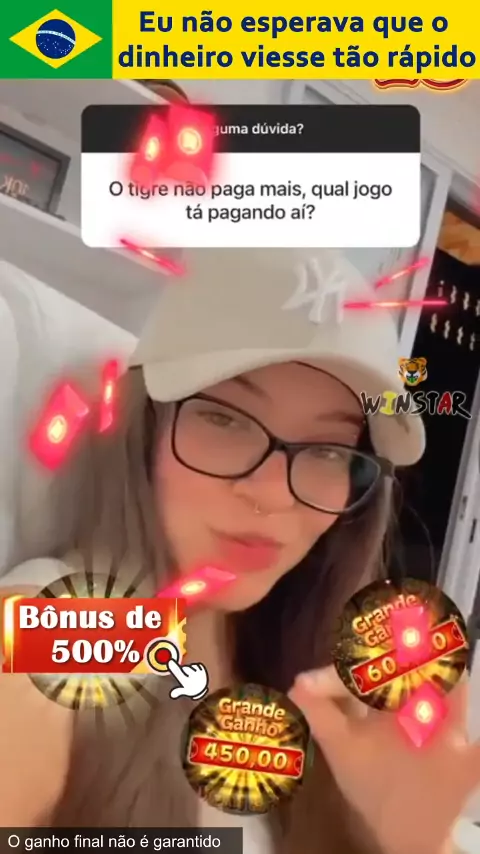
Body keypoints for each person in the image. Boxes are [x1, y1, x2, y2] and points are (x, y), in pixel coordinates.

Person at [1, 248, 478, 852]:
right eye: (225, 420)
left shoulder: (328, 689)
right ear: (144, 428)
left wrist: (412, 840)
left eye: (328, 449)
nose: (273, 494)